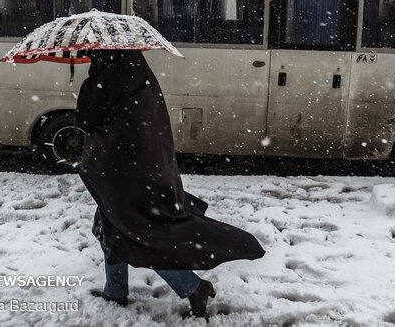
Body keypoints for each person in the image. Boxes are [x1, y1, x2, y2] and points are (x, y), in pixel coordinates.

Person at [76, 49, 265, 318]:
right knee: (114, 228)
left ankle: (193, 287)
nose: (90, 56)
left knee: (142, 236)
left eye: (93, 53)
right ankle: (115, 290)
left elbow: (85, 118)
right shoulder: (139, 75)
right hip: (145, 171)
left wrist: (88, 84)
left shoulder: (106, 77)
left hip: (123, 176)